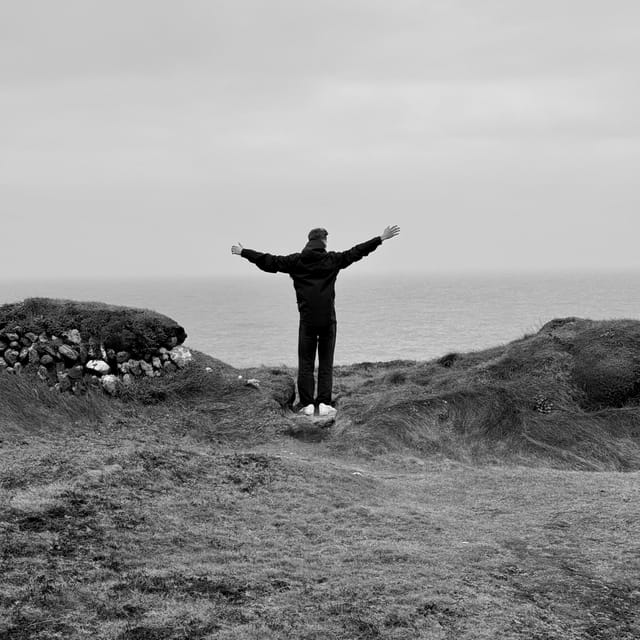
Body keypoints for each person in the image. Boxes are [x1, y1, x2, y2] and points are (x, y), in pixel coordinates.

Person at [231, 225, 400, 416]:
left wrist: (243, 252)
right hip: (328, 320)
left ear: (309, 241)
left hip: (307, 321)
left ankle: (307, 404)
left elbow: (269, 261)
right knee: (326, 363)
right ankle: (324, 403)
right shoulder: (332, 260)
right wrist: (380, 238)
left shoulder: (296, 261)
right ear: (324, 241)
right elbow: (356, 252)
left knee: (306, 363)